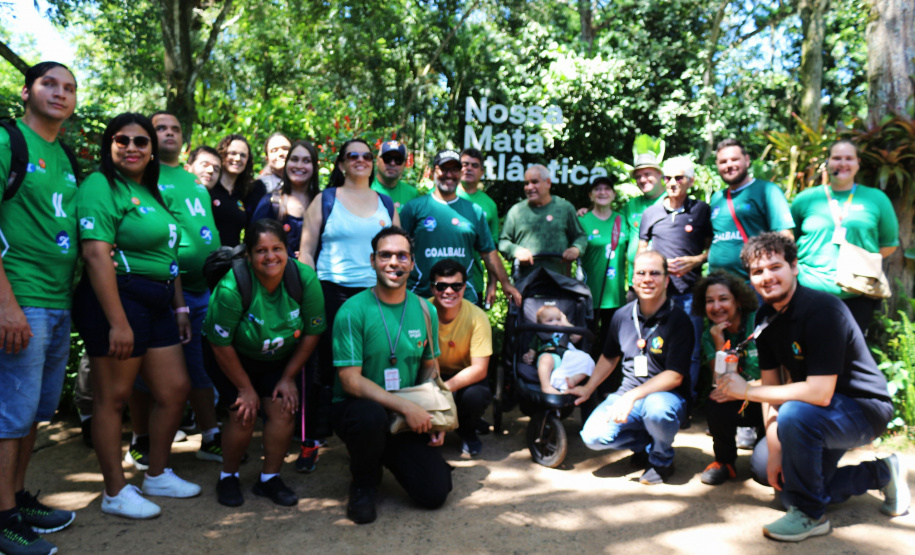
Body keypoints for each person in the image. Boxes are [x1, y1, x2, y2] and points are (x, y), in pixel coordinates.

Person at [716, 232, 909, 542]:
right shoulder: (766, 316)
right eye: (757, 271)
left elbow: (819, 393)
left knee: (795, 419)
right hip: (818, 413)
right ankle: (882, 473)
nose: (767, 277)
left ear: (794, 267)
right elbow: (771, 385)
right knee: (770, 472)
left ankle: (811, 515)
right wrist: (776, 446)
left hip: (862, 409)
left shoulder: (822, 311)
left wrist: (745, 392)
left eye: (775, 267)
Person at [73, 112, 200, 520]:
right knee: (114, 399)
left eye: (140, 142)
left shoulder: (149, 192)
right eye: (122, 140)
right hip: (119, 300)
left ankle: (157, 473)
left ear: (151, 151)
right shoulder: (100, 185)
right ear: (109, 146)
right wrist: (118, 322)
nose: (132, 147)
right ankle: (114, 490)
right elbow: (95, 254)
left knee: (176, 389)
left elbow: (168, 255)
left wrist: (178, 305)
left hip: (159, 301)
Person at [0, 61, 78, 555]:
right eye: (50, 83)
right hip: (20, 297)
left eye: (69, 88)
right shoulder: (9, 141)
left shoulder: (65, 156)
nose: (60, 93)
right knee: (10, 415)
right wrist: (5, 304)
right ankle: (4, 518)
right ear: (27, 90)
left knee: (34, 413)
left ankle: (18, 497)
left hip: (57, 300)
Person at [332, 227, 453, 525]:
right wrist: (405, 407)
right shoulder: (352, 310)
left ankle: (382, 452)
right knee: (370, 417)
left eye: (402, 256)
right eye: (385, 255)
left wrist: (436, 415)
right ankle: (364, 481)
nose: (393, 263)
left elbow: (429, 367)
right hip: (358, 409)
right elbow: (349, 380)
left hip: (402, 415)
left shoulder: (426, 310)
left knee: (435, 493)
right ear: (372, 260)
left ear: (412, 264)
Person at [203, 219, 325, 508]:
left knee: (283, 408)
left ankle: (269, 479)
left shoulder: (304, 279)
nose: (270, 256)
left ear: (288, 251)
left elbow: (312, 332)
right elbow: (219, 344)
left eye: (277, 248)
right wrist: (245, 388)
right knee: (243, 413)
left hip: (278, 358)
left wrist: (289, 378)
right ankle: (228, 476)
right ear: (248, 255)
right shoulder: (232, 287)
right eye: (261, 250)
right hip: (231, 356)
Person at [296, 138, 400, 472]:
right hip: (331, 292)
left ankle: (378, 436)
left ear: (374, 163)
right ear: (341, 164)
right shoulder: (325, 199)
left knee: (375, 366)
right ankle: (312, 440)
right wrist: (310, 295)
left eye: (367, 156)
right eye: (352, 155)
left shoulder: (386, 202)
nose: (360, 160)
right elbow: (307, 252)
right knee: (322, 369)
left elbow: (398, 252)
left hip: (376, 295)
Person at [575, 250, 694, 485]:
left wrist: (631, 397)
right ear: (632, 278)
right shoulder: (621, 316)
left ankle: (661, 460)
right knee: (593, 437)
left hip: (666, 398)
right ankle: (645, 444)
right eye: (641, 273)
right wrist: (588, 388)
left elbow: (675, 376)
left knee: (656, 408)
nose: (647, 279)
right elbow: (609, 358)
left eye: (655, 273)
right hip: (628, 396)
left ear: (667, 279)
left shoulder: (680, 320)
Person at [146, 111, 223, 463]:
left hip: (202, 290)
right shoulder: (144, 175)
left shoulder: (193, 180)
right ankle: (141, 439)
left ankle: (210, 435)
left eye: (175, 128)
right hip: (162, 290)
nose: (169, 133)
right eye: (160, 128)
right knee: (148, 368)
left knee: (200, 365)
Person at [791, 139, 899, 333]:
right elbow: (790, 241)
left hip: (857, 295)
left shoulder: (876, 199)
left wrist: (860, 262)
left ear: (858, 163)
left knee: (848, 357)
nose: (843, 163)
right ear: (828, 163)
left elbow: (889, 244)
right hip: (807, 292)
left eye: (849, 158)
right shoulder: (805, 199)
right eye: (837, 158)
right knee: (804, 355)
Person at [400, 149, 520, 306]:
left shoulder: (475, 211)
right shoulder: (414, 208)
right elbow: (399, 250)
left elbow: (489, 253)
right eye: (444, 168)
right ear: (434, 170)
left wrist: (505, 283)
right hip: (420, 295)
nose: (449, 174)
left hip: (463, 297)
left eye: (455, 169)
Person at [638, 156, 711, 400]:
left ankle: (685, 401)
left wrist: (695, 260)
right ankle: (649, 398)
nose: (672, 183)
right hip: (658, 296)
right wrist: (659, 265)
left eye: (678, 178)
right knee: (651, 348)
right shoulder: (650, 213)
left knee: (690, 350)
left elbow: (712, 250)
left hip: (690, 292)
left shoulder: (701, 211)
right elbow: (641, 253)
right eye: (667, 178)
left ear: (690, 181)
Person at [691, 271, 762, 485]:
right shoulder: (710, 334)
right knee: (715, 400)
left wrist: (746, 390)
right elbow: (721, 381)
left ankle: (766, 451)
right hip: (738, 398)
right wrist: (719, 341)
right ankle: (725, 462)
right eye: (710, 301)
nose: (716, 307)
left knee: (764, 472)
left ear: (738, 301)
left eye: (723, 299)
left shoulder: (758, 323)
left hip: (767, 397)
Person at [428, 259, 493, 456]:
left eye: (456, 286)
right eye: (442, 286)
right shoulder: (422, 312)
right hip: (430, 372)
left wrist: (444, 389)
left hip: (465, 375)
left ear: (464, 288)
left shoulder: (477, 317)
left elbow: (479, 369)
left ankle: (467, 432)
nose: (449, 291)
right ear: (432, 288)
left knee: (475, 396)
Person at [708, 139, 794, 280]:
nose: (729, 165)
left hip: (753, 284)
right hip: (717, 283)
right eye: (723, 162)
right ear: (717, 165)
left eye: (734, 160)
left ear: (747, 161)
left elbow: (785, 236)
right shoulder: (717, 198)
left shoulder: (767, 191)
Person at [500, 164, 588, 282]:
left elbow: (580, 236)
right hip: (525, 284)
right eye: (526, 183)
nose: (529, 187)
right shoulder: (516, 211)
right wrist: (516, 251)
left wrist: (576, 249)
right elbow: (503, 242)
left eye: (535, 182)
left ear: (548, 183)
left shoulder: (565, 208)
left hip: (560, 283)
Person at [578, 176, 628, 361]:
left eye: (607, 189)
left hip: (615, 297)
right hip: (589, 295)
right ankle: (584, 386)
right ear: (590, 195)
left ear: (614, 194)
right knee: (585, 346)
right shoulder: (583, 220)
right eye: (597, 189)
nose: (602, 192)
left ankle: (608, 388)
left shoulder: (622, 219)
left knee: (612, 347)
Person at [252, 139, 321, 257]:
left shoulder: (324, 203)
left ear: (314, 167)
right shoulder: (270, 202)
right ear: (287, 163)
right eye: (294, 159)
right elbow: (254, 243)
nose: (299, 165)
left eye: (306, 161)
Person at [457, 147, 500, 307]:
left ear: (482, 172)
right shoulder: (441, 195)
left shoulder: (489, 205)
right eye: (464, 164)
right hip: (438, 281)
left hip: (473, 282)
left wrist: (492, 284)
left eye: (474, 165)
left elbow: (491, 249)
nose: (468, 168)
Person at [523, 305, 594, 394]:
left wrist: (565, 323)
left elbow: (578, 335)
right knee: (545, 359)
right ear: (540, 324)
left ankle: (573, 381)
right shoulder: (539, 335)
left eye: (558, 319)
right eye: (550, 320)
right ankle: (546, 386)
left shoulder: (564, 332)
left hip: (566, 359)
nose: (555, 323)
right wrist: (529, 356)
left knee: (586, 359)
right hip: (550, 357)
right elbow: (532, 351)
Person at [620, 152, 667, 287]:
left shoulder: (671, 200)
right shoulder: (631, 205)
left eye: (647, 174)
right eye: (638, 176)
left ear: (659, 174)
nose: (642, 179)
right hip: (635, 281)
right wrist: (589, 210)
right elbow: (610, 221)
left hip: (662, 281)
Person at [209, 134, 265, 246]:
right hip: (206, 256)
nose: (238, 159)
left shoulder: (245, 193)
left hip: (232, 258)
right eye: (233, 153)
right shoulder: (209, 187)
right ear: (222, 154)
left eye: (243, 155)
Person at [370, 140, 420, 211]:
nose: (392, 163)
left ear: (404, 164)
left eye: (398, 160)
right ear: (377, 161)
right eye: (387, 159)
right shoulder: (365, 187)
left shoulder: (412, 194)